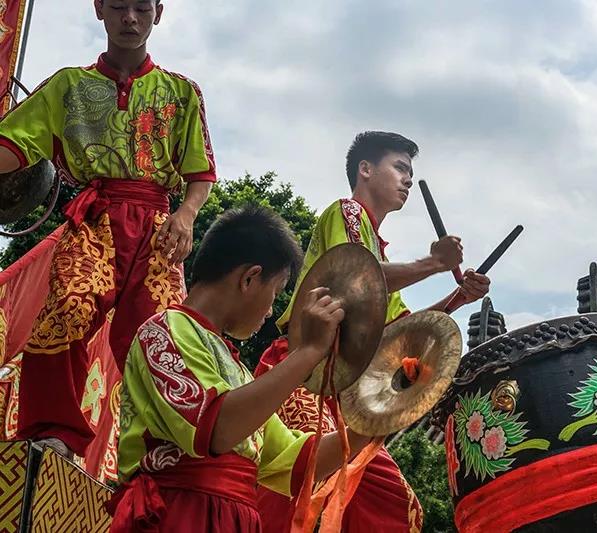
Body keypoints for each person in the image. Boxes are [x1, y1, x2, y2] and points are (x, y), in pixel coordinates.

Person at [0, 0, 215, 458]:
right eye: (118, 6)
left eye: (141, 7)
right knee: (69, 308)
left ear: (158, 12)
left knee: (158, 333)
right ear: (99, 9)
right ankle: (52, 430)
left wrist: (187, 214)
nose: (130, 18)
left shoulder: (182, 93)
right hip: (94, 220)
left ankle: (159, 446)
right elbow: (13, 144)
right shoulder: (68, 86)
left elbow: (201, 174)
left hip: (158, 227)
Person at [256, 131, 491, 532]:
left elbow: (400, 332)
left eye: (411, 174)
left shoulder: (378, 253)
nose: (407, 180)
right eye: (400, 167)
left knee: (391, 504)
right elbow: (357, 280)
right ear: (365, 169)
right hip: (304, 372)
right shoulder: (347, 212)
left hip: (347, 391)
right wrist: (434, 263)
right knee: (291, 488)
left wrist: (457, 298)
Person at [110, 205, 372, 532]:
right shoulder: (163, 331)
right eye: (274, 293)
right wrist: (308, 351)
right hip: (179, 514)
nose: (270, 310)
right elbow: (218, 428)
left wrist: (375, 418)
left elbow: (298, 463)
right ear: (249, 278)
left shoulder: (239, 372)